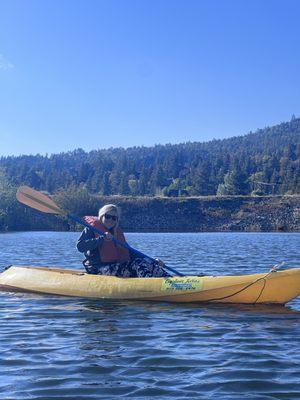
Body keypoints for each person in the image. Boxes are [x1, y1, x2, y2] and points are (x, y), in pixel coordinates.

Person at [77, 204, 170, 278]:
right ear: (101, 216)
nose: (111, 220)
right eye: (108, 216)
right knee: (137, 264)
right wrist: (101, 239)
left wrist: (152, 261)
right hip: (98, 269)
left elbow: (130, 252)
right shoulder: (91, 229)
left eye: (114, 218)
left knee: (146, 263)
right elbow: (80, 247)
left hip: (116, 267)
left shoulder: (116, 233)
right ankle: (152, 286)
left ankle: (173, 281)